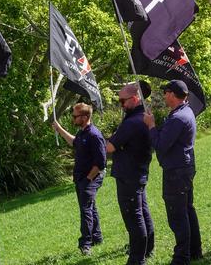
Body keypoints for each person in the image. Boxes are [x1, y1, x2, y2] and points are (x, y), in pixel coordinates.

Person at [144, 80, 202, 265]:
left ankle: (181, 257)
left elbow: (160, 144)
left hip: (176, 171)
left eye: (166, 92)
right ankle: (194, 251)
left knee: (177, 214)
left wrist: (151, 126)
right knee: (187, 209)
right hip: (183, 168)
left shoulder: (178, 118)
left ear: (172, 94)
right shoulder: (184, 112)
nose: (164, 96)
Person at [106, 82, 154, 265]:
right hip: (138, 173)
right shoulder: (143, 116)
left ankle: (137, 258)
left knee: (133, 217)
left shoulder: (132, 122)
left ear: (134, 99)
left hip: (129, 175)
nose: (121, 105)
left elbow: (110, 147)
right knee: (142, 212)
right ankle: (147, 249)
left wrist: (110, 140)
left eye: (122, 101)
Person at [52, 103, 107, 255]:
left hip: (90, 178)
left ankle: (86, 244)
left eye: (75, 116)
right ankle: (97, 237)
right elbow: (73, 142)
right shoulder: (83, 133)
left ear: (85, 117)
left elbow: (101, 163)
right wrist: (59, 129)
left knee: (86, 210)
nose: (73, 118)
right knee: (91, 207)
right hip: (82, 178)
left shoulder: (94, 135)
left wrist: (88, 179)